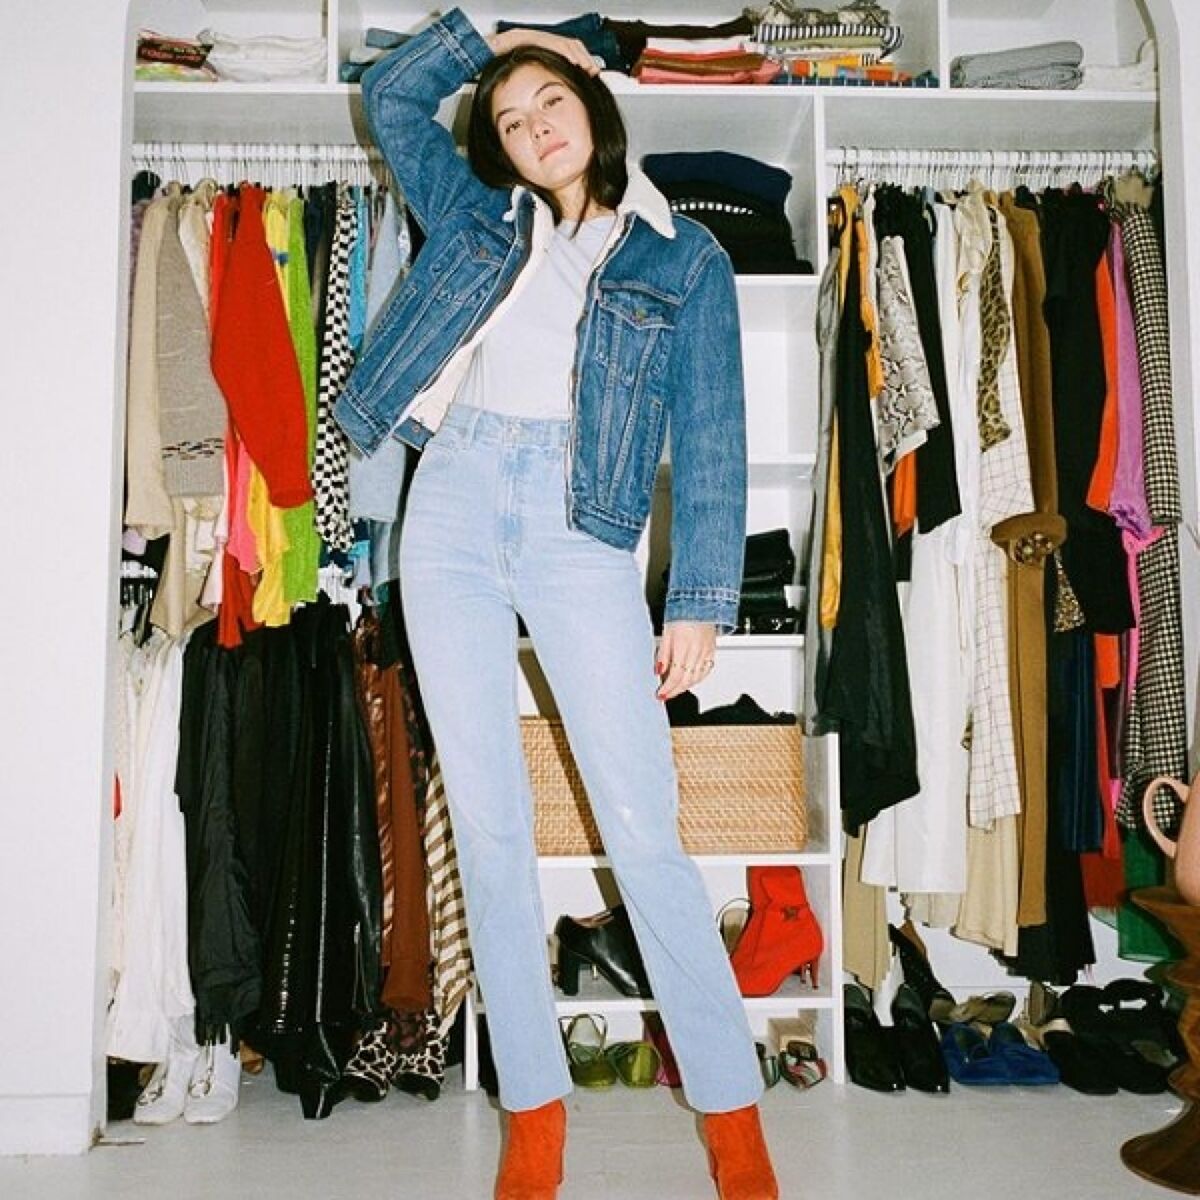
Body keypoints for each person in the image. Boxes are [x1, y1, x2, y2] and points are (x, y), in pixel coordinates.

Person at [334, 9, 779, 1199]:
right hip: (454, 501)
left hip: (585, 525)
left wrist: (699, 599)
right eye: (511, 118)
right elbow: (390, 98)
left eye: (552, 104)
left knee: (643, 829)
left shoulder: (683, 256)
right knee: (489, 826)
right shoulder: (475, 214)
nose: (534, 129)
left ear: (595, 110)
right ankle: (534, 1114)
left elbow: (713, 434)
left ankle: (734, 1124)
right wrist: (506, 34)